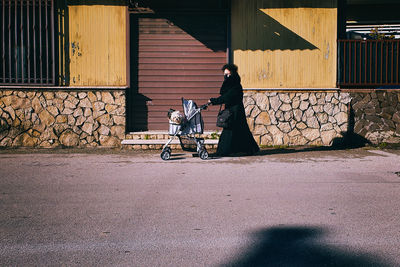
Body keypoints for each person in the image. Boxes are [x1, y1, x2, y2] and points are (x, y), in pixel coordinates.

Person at [209, 64, 259, 157]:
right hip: (233, 111)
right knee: (241, 130)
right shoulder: (232, 84)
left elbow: (227, 97)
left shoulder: (235, 86)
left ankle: (224, 151)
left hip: (235, 112)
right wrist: (214, 100)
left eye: (228, 74)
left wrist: (214, 101)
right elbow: (225, 94)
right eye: (225, 75)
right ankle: (249, 149)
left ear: (233, 73)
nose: (226, 77)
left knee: (230, 130)